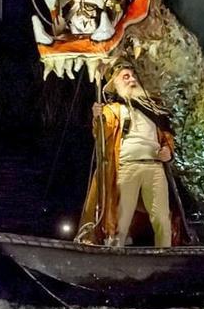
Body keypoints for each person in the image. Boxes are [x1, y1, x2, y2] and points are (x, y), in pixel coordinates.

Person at [77, 57, 186, 247]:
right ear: (117, 83)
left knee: (161, 218)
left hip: (154, 168)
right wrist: (97, 117)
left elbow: (166, 136)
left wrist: (168, 151)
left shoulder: (154, 108)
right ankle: (114, 252)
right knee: (121, 218)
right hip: (127, 166)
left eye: (133, 75)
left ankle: (164, 254)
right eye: (125, 77)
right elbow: (101, 132)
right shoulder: (113, 109)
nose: (131, 79)